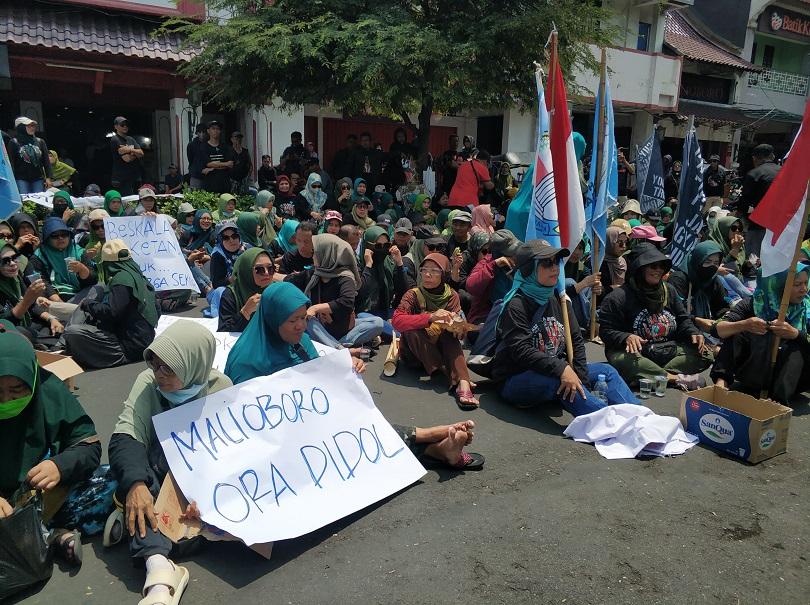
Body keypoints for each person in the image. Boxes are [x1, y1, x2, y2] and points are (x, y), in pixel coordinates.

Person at [109, 322, 231, 605]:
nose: (159, 374)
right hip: (157, 468)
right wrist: (136, 485)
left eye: (169, 368)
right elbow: (126, 435)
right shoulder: (147, 383)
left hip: (197, 475)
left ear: (194, 365)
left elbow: (227, 454)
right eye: (155, 364)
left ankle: (149, 544)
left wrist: (202, 493)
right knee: (140, 485)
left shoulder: (221, 387)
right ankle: (159, 568)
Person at [492, 240, 638, 416]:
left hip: (553, 368)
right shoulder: (516, 305)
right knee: (560, 380)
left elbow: (576, 341)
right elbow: (521, 351)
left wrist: (581, 379)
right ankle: (611, 423)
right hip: (517, 377)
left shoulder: (559, 300)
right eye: (547, 263)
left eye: (557, 262)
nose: (555, 268)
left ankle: (642, 416)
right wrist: (562, 369)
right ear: (529, 268)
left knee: (606, 371)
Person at [0, 321, 101, 567]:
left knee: (110, 486)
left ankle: (37, 538)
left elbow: (88, 445)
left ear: (33, 379)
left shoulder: (49, 390)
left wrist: (59, 466)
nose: (6, 400)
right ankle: (51, 537)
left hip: (40, 495)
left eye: (17, 390)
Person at [598, 243, 713, 390]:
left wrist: (693, 332)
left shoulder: (669, 290)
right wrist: (626, 337)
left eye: (661, 266)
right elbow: (606, 331)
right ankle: (673, 378)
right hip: (635, 353)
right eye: (653, 266)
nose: (658, 270)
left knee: (705, 353)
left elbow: (683, 319)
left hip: (666, 349)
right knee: (622, 360)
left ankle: (647, 375)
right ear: (639, 269)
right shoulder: (618, 297)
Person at [710, 264, 810, 403]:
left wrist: (796, 335)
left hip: (791, 381)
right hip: (754, 371)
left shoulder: (807, 310)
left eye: (806, 283)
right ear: (777, 285)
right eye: (797, 284)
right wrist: (744, 324)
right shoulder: (752, 304)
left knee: (796, 348)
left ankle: (777, 403)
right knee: (737, 330)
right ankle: (721, 384)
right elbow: (717, 329)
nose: (804, 289)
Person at [392, 253, 479, 409]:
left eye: (434, 271)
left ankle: (463, 384)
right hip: (415, 356)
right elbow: (397, 322)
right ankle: (452, 373)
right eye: (424, 270)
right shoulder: (412, 294)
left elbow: (459, 330)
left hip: (440, 348)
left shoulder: (452, 296)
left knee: (449, 333)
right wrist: (430, 317)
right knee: (412, 328)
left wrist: (458, 327)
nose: (427, 274)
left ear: (444, 274)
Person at [63, 240, 158, 369]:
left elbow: (112, 312)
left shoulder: (121, 280)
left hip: (128, 348)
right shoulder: (138, 276)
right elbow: (156, 310)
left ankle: (64, 347)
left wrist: (89, 304)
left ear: (108, 264)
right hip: (144, 341)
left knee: (72, 331)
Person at [285, 234, 384, 349]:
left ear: (327, 254)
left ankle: (334, 347)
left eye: (316, 253)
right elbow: (290, 280)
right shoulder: (315, 273)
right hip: (321, 327)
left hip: (343, 328)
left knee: (377, 323)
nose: (312, 256)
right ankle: (340, 347)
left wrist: (316, 308)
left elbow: (346, 302)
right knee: (308, 321)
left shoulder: (345, 277)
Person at [0, 239, 64, 344]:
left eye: (15, 257)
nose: (12, 263)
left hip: (26, 323)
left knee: (57, 325)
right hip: (9, 333)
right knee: (22, 332)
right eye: (5, 261)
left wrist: (51, 319)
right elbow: (5, 323)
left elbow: (32, 306)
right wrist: (26, 300)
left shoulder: (15, 278)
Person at [30, 217, 96, 302]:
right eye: (55, 236)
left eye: (64, 234)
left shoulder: (78, 251)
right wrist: (60, 303)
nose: (60, 238)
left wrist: (82, 269)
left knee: (100, 287)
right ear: (47, 238)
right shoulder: (39, 256)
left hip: (81, 294)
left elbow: (93, 280)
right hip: (55, 298)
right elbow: (41, 282)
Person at [466, 229, 520, 325]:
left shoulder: (518, 262)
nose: (514, 254)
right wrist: (494, 265)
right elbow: (471, 286)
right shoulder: (486, 263)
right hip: (486, 317)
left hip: (514, 313)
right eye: (510, 252)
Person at [217, 248, 275, 332]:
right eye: (259, 269)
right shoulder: (232, 294)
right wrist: (245, 312)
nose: (266, 273)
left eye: (270, 268)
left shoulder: (276, 290)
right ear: (246, 270)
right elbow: (224, 330)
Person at [741, 144, 780, 258]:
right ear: (772, 156)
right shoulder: (784, 172)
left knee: (753, 257)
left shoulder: (754, 174)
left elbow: (744, 202)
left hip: (757, 224)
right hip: (781, 225)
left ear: (754, 158)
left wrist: (741, 215)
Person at [563, 239, 601, 333]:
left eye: (580, 248)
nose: (576, 252)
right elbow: (559, 293)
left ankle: (591, 320)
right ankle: (590, 322)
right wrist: (583, 284)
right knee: (569, 282)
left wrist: (598, 287)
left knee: (590, 286)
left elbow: (590, 281)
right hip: (559, 306)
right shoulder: (557, 266)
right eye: (573, 248)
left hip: (575, 308)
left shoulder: (581, 267)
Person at [8, 116, 52, 194]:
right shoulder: (14, 142)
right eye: (29, 126)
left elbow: (46, 161)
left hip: (38, 178)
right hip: (21, 179)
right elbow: (11, 162)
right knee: (26, 202)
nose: (33, 128)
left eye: (33, 126)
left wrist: (48, 177)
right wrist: (11, 180)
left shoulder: (40, 141)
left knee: (39, 202)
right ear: (21, 127)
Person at [109, 117, 143, 197]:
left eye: (126, 125)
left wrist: (129, 150)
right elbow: (127, 159)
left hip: (135, 178)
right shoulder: (115, 139)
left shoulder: (130, 139)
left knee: (138, 200)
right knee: (127, 202)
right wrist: (135, 152)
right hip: (122, 179)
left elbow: (141, 153)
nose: (125, 126)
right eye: (122, 125)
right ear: (116, 127)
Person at [209, 221, 245, 289]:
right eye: (226, 238)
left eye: (234, 236)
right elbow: (216, 284)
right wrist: (231, 279)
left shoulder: (248, 249)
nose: (231, 240)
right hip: (227, 291)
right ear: (220, 240)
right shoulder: (218, 255)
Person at [201, 121, 234, 194]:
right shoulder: (203, 147)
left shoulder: (225, 147)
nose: (215, 131)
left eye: (218, 129)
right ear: (208, 131)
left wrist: (214, 166)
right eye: (213, 129)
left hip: (224, 183)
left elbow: (230, 164)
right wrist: (224, 164)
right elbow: (208, 164)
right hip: (210, 183)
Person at [600, 226, 629, 296]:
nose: (624, 246)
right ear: (609, 242)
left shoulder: (623, 261)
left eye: (626, 242)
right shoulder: (597, 262)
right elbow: (593, 292)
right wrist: (611, 288)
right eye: (620, 243)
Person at [186, 123, 208, 191]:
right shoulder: (191, 145)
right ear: (197, 133)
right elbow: (190, 159)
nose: (201, 134)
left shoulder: (209, 143)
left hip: (207, 174)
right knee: (195, 194)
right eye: (199, 132)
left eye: (203, 132)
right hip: (195, 174)